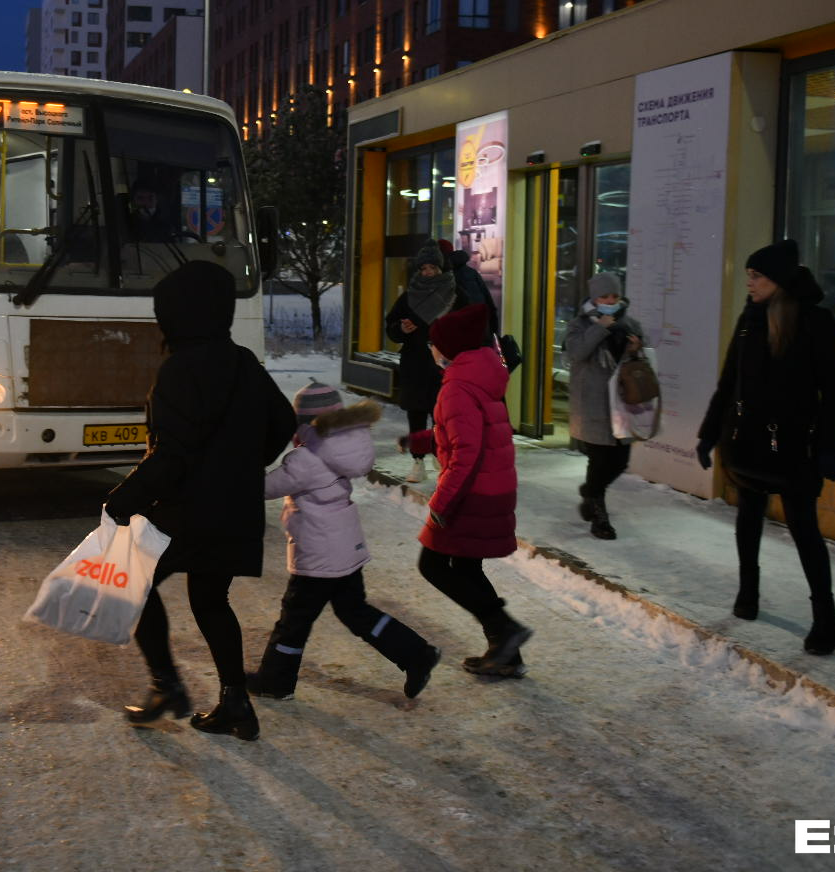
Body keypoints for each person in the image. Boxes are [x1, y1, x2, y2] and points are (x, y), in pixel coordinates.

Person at [103, 261, 295, 741]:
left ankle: (167, 685)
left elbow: (173, 455)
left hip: (187, 510)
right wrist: (243, 466)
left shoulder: (178, 370)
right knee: (211, 600)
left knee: (133, 581)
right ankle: (236, 704)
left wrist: (123, 499)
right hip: (234, 508)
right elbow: (283, 424)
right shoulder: (243, 361)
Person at [696, 239, 835, 656]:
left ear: (778, 281)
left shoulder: (816, 324)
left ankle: (826, 619)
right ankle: (748, 594)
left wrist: (832, 447)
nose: (750, 283)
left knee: (804, 530)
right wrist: (709, 433)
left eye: (756, 276)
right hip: (747, 441)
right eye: (748, 275)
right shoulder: (750, 318)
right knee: (748, 516)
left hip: (796, 447)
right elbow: (729, 382)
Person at [248, 382, 442, 701]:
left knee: (293, 620)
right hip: (345, 550)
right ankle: (416, 654)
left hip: (318, 556)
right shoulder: (341, 449)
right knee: (355, 612)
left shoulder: (305, 460)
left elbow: (261, 488)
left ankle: (275, 680)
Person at [402, 304, 532, 678]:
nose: (430, 349)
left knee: (433, 565)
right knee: (464, 567)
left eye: (433, 344)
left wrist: (442, 503)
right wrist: (419, 440)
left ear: (448, 349)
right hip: (493, 488)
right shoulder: (482, 374)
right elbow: (467, 433)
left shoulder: (457, 387)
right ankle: (506, 649)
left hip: (471, 493)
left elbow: (466, 453)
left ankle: (506, 631)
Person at [563, 271, 646, 541]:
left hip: (621, 403)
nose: (610, 300)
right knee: (599, 460)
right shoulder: (579, 324)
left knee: (621, 460)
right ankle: (600, 518)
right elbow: (577, 353)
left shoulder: (630, 324)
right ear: (594, 298)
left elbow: (640, 361)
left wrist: (636, 350)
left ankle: (589, 492)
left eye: (614, 296)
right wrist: (601, 327)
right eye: (604, 296)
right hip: (593, 404)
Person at [384, 239, 457, 483]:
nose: (427, 273)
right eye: (423, 268)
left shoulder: (454, 294)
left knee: (442, 417)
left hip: (443, 366)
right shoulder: (408, 296)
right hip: (415, 364)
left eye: (432, 268)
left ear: (441, 269)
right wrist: (401, 329)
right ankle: (418, 462)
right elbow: (391, 327)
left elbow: (467, 325)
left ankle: (440, 455)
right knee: (416, 415)